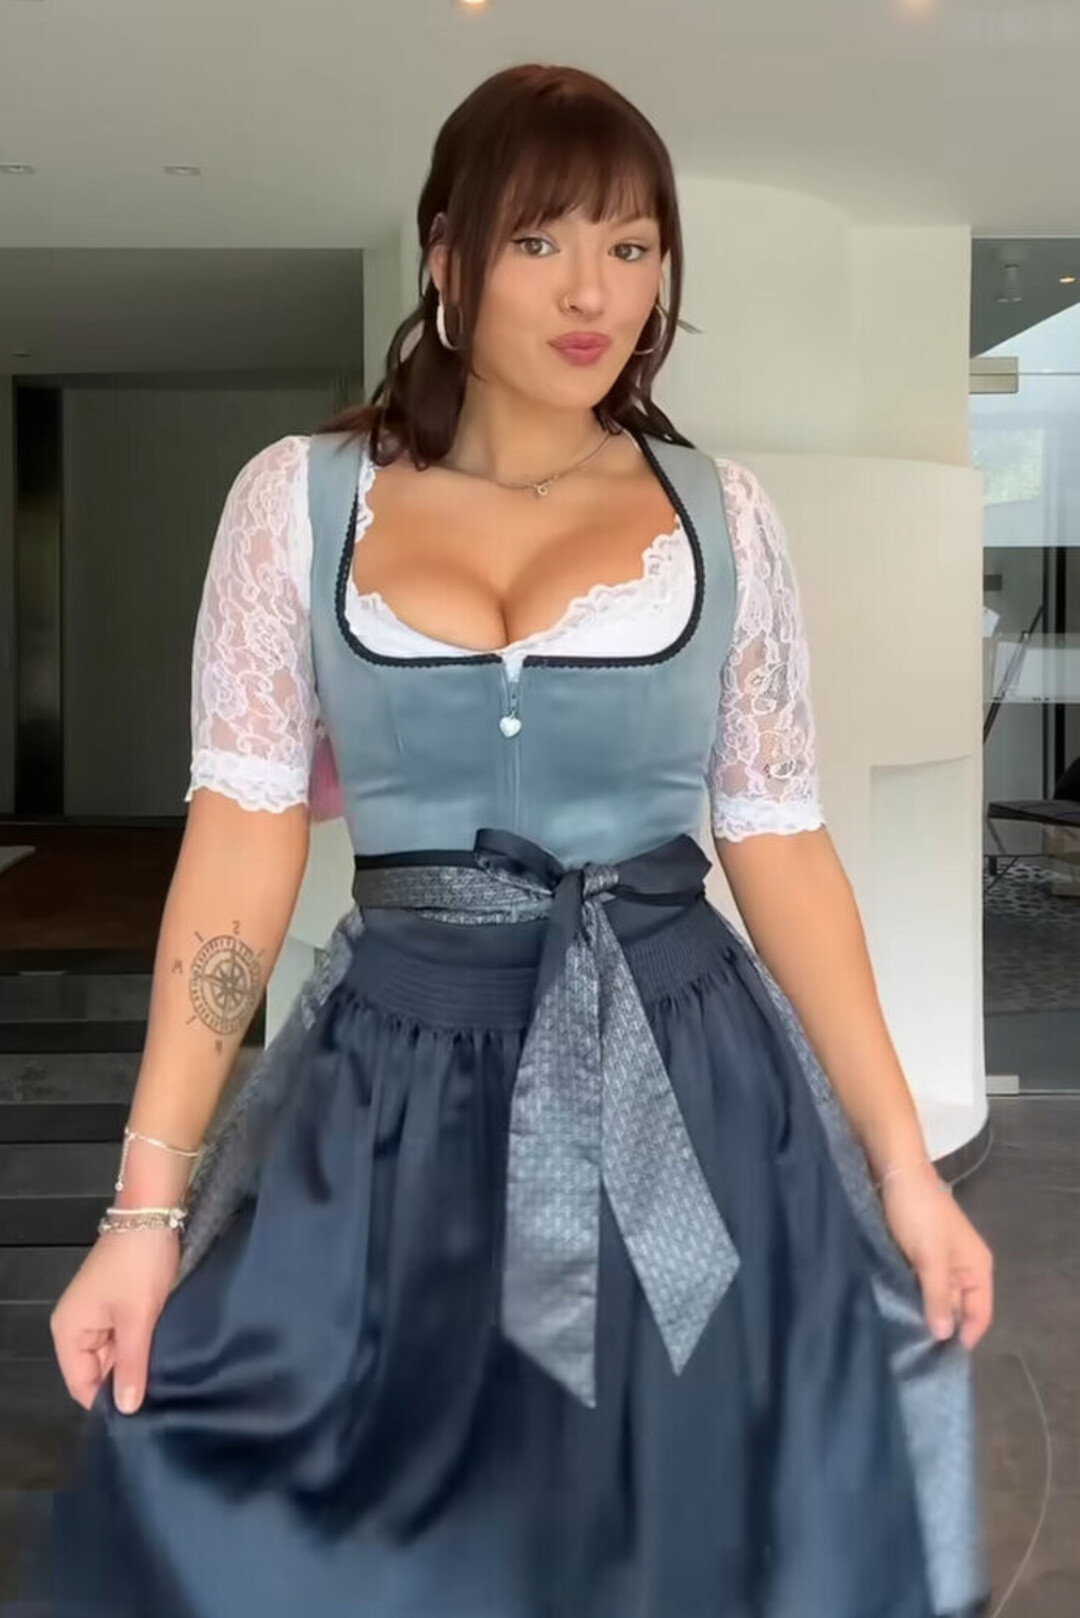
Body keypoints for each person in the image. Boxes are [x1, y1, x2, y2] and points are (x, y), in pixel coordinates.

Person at [46, 62, 993, 1618]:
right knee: (350, 1527)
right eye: (542, 240)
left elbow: (783, 850)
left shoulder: (725, 516)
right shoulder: (297, 504)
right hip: (390, 1090)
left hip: (684, 1075)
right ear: (446, 255)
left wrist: (904, 1168)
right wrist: (144, 1212)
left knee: (673, 1523)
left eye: (633, 246)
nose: (594, 292)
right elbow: (235, 854)